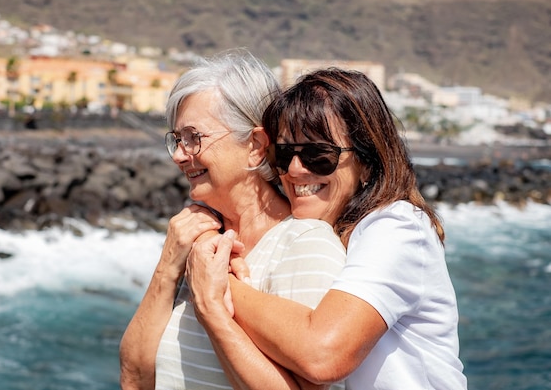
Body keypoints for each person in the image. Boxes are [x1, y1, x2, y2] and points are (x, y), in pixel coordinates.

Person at [186, 68, 468, 389]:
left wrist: (215, 285)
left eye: (319, 156)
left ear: (367, 162)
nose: (294, 169)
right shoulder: (325, 234)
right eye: (283, 153)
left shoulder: (397, 227)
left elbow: (324, 355)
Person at [119, 50, 347, 390]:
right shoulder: (195, 244)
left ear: (255, 145)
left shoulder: (304, 244)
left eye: (194, 137)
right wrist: (168, 267)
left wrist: (212, 303)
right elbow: (135, 380)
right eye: (177, 139)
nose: (180, 155)